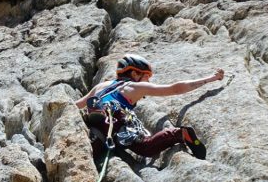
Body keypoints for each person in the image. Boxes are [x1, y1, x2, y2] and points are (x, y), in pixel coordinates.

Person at [75, 54, 224, 160]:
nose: (148, 80)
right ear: (134, 73)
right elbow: (175, 89)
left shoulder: (102, 85)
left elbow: (75, 106)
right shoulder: (134, 86)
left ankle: (97, 115)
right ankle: (179, 134)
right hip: (115, 119)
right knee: (146, 147)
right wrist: (210, 78)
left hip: (95, 121)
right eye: (146, 76)